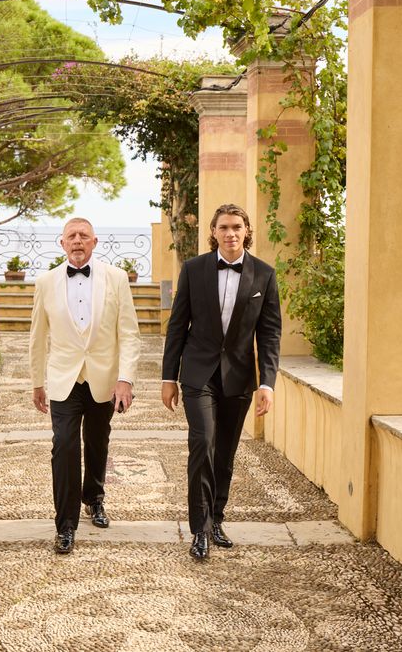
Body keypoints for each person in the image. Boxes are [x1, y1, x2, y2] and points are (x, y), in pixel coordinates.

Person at [161, 203, 282, 559]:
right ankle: (198, 528)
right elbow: (177, 325)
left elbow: (270, 333)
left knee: (225, 452)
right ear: (213, 232)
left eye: (237, 227)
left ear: (246, 232)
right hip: (198, 373)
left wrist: (267, 383)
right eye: (224, 227)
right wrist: (169, 377)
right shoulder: (194, 269)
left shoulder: (264, 274)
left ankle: (216, 518)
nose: (230, 233)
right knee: (203, 442)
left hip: (240, 378)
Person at [29, 217, 141, 554]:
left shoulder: (117, 278)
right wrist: (37, 381)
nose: (77, 241)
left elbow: (129, 334)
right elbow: (38, 336)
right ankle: (65, 524)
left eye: (84, 236)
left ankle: (94, 497)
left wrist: (125, 379)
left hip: (103, 378)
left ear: (94, 242)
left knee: (96, 442)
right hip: (64, 379)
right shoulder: (46, 281)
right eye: (71, 236)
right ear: (61, 244)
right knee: (63, 445)